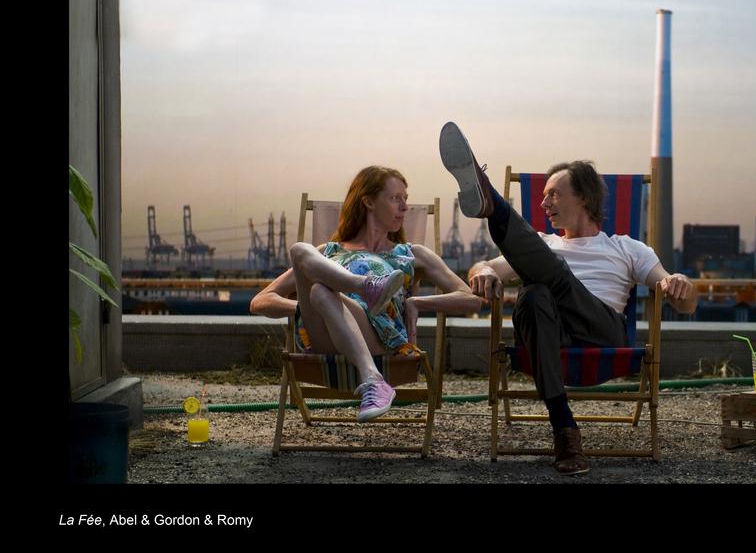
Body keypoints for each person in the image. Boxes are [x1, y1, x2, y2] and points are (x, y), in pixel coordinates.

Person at [439, 122, 698, 475]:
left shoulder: (626, 247)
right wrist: (482, 271)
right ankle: (564, 428)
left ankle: (494, 206)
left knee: (550, 276)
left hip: (603, 335)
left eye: (554, 194)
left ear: (585, 198)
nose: (544, 203)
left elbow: (678, 296)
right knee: (533, 294)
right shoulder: (543, 244)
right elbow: (483, 268)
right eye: (543, 195)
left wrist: (678, 283)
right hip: (549, 336)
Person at [251, 165, 481, 422]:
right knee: (300, 251)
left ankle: (373, 374)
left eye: (406, 199)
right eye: (395, 199)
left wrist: (418, 302)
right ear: (368, 201)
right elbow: (260, 301)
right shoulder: (327, 252)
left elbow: (471, 299)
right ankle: (365, 287)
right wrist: (301, 309)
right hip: (322, 335)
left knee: (320, 290)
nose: (404, 207)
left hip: (379, 336)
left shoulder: (410, 254)